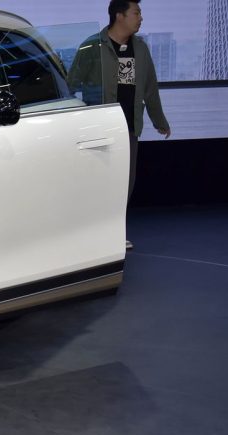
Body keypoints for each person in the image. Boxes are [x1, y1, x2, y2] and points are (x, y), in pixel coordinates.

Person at [67, 0, 171, 249]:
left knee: (125, 182)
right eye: (136, 13)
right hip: (97, 129)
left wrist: (159, 121)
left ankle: (113, 233)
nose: (141, 18)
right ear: (119, 16)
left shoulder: (141, 49)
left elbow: (150, 88)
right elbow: (71, 85)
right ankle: (87, 233)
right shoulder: (92, 46)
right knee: (97, 182)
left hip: (128, 127)